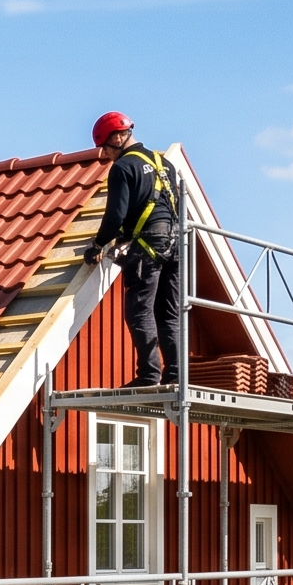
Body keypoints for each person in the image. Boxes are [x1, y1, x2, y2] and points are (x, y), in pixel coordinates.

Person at [83, 111, 184, 388]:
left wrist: (98, 244)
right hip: (175, 246)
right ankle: (175, 375)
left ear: (118, 137)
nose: (105, 154)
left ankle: (149, 376)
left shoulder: (124, 167)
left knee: (140, 311)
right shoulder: (165, 164)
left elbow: (116, 214)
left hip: (148, 246)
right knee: (168, 313)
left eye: (105, 147)